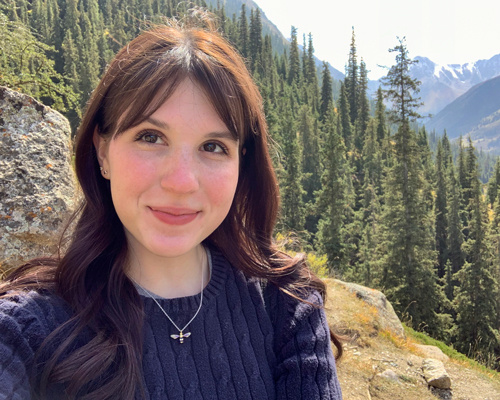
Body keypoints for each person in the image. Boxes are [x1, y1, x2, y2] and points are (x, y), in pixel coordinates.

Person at [0, 12, 343, 400]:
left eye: (213, 147)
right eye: (150, 137)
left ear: (240, 165)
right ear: (102, 151)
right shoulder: (30, 328)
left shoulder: (287, 306)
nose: (181, 182)